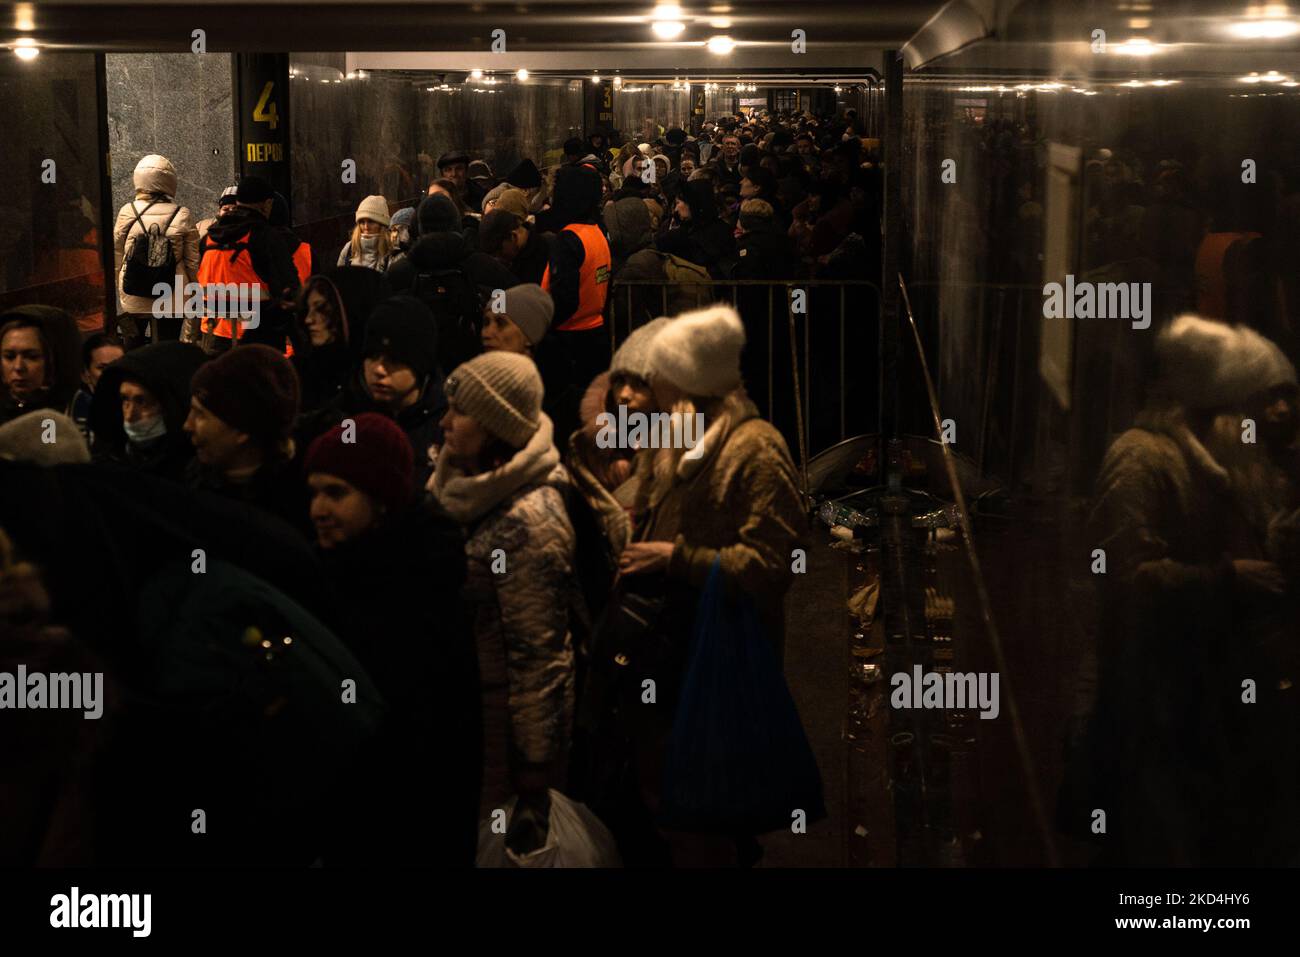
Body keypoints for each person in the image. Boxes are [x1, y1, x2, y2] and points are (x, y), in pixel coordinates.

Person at [1082, 315, 1300, 866]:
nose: (1273, 417)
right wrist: (1226, 577)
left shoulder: (1236, 461)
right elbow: (1122, 576)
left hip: (1213, 703)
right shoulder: (1141, 458)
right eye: (1256, 403)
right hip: (1154, 696)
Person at [615, 303, 808, 867]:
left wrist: (679, 557)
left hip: (718, 643)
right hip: (669, 636)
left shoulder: (756, 447)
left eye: (658, 372)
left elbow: (777, 561)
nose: (646, 384)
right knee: (672, 787)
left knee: (707, 795)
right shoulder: (671, 433)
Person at [305, 412, 482, 866]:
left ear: (381, 499)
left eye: (336, 493)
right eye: (315, 493)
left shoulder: (420, 584)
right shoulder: (341, 569)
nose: (318, 510)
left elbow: (426, 736)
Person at [427, 351, 577, 839]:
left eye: (461, 411)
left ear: (495, 426)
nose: (445, 421)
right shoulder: (461, 481)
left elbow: (540, 657)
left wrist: (534, 775)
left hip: (499, 732)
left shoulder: (529, 519)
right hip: (463, 709)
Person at [296, 294, 447, 488]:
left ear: (420, 365)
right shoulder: (339, 418)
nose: (379, 370)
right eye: (372, 356)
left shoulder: (448, 423)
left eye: (394, 360)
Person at [184, 343, 307, 533]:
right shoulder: (191, 483)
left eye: (200, 415)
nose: (187, 425)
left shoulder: (297, 505)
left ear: (242, 429)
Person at [196, 175, 302, 355]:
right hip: (257, 336)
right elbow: (289, 287)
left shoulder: (208, 239)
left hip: (214, 334)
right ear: (267, 204)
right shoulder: (265, 237)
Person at [112, 154, 201, 348]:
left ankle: (134, 376)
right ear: (170, 181)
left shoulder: (128, 211)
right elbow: (192, 261)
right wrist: (197, 289)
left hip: (133, 289)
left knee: (132, 345)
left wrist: (118, 282)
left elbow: (117, 253)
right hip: (172, 293)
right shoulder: (181, 213)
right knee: (166, 346)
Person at [89, 340, 208, 483]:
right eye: (125, 399)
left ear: (172, 405)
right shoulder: (109, 462)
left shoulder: (199, 477)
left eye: (142, 402)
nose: (129, 415)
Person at [539, 163, 613, 389]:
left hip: (568, 341)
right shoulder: (598, 232)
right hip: (596, 335)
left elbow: (565, 298)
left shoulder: (568, 238)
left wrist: (542, 327)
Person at [291, 267, 391, 412]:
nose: (308, 319)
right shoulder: (301, 373)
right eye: (307, 309)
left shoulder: (375, 380)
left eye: (321, 309)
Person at [0, 306, 82, 426]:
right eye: (9, 357)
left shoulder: (80, 413)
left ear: (54, 360)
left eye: (32, 357)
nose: (18, 367)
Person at [656, 180, 737, 280]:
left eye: (678, 203)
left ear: (692, 203)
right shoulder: (721, 229)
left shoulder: (684, 235)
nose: (676, 209)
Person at [71, 333, 125, 438]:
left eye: (119, 366)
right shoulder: (78, 412)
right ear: (85, 374)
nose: (112, 374)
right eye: (102, 368)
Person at [480, 206, 551, 285]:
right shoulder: (517, 258)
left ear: (513, 237)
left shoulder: (548, 249)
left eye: (499, 251)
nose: (499, 259)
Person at [337, 195, 393, 271]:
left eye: (371, 221)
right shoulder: (349, 248)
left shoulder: (390, 250)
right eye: (362, 222)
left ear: (381, 225)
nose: (366, 226)